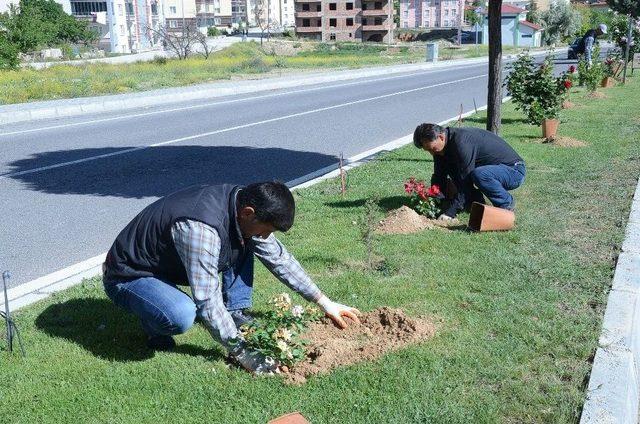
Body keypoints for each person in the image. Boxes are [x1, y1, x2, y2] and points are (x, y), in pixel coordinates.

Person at [102, 181, 360, 373]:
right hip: (130, 274)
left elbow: (279, 259)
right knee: (181, 314)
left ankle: (235, 314)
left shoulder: (241, 206)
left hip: (166, 263)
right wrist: (245, 354)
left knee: (246, 240)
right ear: (248, 212)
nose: (266, 236)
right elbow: (207, 301)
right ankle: (153, 324)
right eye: (266, 230)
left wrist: (324, 301)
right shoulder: (201, 229)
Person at [412, 124, 526, 220]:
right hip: (494, 169)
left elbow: (465, 181)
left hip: (514, 171)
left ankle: (506, 205)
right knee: (452, 167)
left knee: (480, 175)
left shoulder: (461, 143)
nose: (431, 153)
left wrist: (450, 213)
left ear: (441, 137)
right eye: (428, 150)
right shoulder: (442, 148)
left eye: (432, 149)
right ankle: (475, 202)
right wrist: (435, 202)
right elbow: (439, 175)